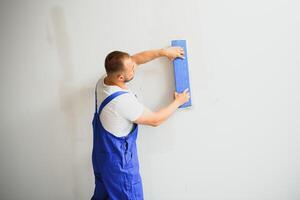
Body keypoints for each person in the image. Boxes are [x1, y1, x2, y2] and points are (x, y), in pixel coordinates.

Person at [91, 46, 190, 200]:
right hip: (120, 167)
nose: (134, 68)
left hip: (102, 159)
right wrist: (178, 102)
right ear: (120, 77)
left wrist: (163, 52)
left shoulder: (104, 81)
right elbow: (155, 120)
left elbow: (135, 59)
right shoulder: (121, 101)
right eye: (131, 69)